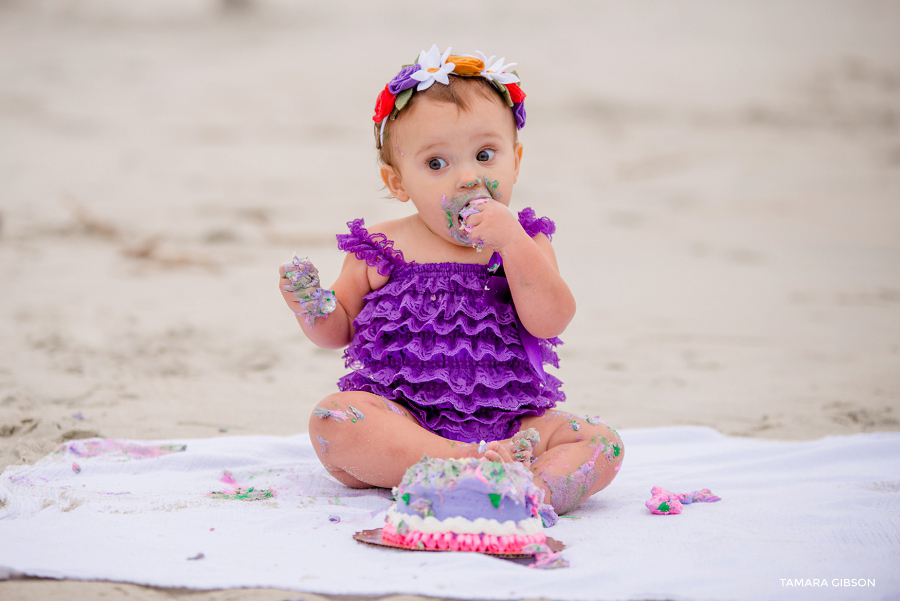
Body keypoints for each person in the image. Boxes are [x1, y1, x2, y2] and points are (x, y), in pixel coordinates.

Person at [278, 46, 623, 517]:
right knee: (334, 421)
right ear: (398, 182)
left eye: (485, 155)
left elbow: (549, 322)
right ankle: (465, 465)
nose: (468, 178)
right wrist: (310, 305)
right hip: (405, 423)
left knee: (602, 443)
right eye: (437, 164)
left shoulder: (527, 242)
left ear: (515, 161)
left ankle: (534, 490)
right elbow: (337, 332)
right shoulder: (381, 246)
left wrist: (512, 243)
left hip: (511, 427)